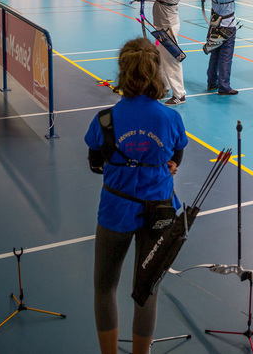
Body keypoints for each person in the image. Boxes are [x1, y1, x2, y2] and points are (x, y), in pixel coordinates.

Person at [84, 38, 188, 354]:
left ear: (123, 71)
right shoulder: (170, 118)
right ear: (155, 72)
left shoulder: (105, 120)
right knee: (147, 290)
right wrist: (164, 163)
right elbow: (176, 155)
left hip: (116, 210)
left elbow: (95, 164)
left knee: (105, 288)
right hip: (160, 211)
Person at [139, 0, 185, 105]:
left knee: (171, 61)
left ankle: (179, 94)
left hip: (167, 27)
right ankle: (163, 87)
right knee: (161, 57)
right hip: (166, 26)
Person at [204, 0, 251, 95]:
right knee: (225, 57)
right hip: (228, 26)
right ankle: (224, 87)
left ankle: (211, 83)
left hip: (215, 25)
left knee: (215, 55)